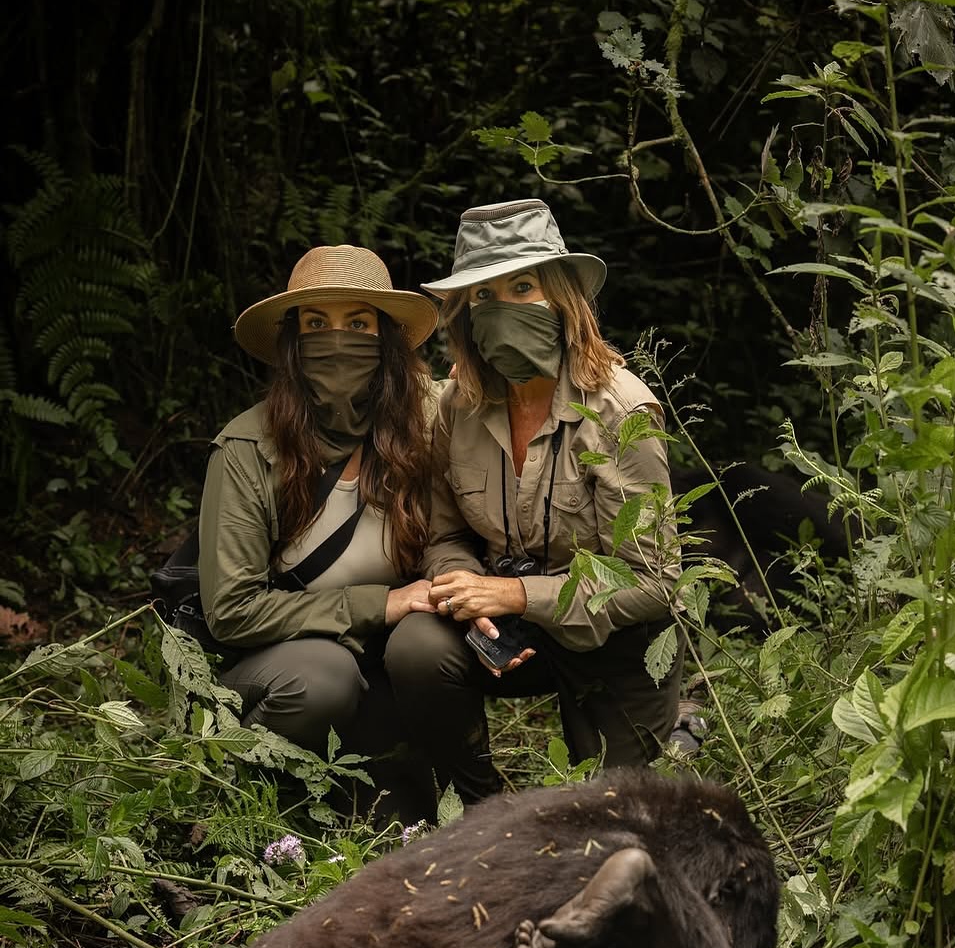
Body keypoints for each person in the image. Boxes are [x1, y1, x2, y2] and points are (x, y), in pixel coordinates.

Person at [384, 199, 683, 804]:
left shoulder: (621, 411)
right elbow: (445, 532)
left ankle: (684, 729)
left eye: (522, 287)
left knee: (613, 815)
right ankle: (477, 803)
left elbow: (654, 582)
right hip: (508, 629)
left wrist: (518, 593)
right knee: (417, 649)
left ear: (563, 299)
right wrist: (467, 589)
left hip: (610, 639)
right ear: (464, 318)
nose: (502, 311)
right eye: (483, 298)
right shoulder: (458, 406)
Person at [199, 244, 439, 824]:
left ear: (385, 337)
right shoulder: (247, 448)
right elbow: (232, 612)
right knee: (322, 678)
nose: (337, 339)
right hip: (277, 665)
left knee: (401, 821)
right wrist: (380, 603)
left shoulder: (432, 422)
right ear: (291, 342)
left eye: (357, 323)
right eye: (316, 324)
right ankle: (250, 800)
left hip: (382, 661)